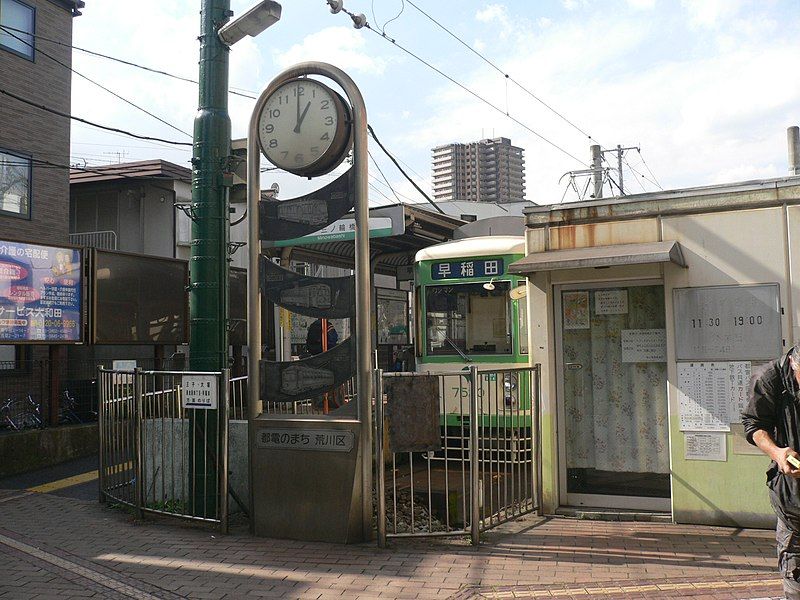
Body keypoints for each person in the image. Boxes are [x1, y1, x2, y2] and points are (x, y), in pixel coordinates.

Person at [742, 343, 800, 600]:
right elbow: (754, 425)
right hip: (793, 497)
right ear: (794, 365)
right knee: (795, 574)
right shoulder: (769, 378)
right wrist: (777, 453)